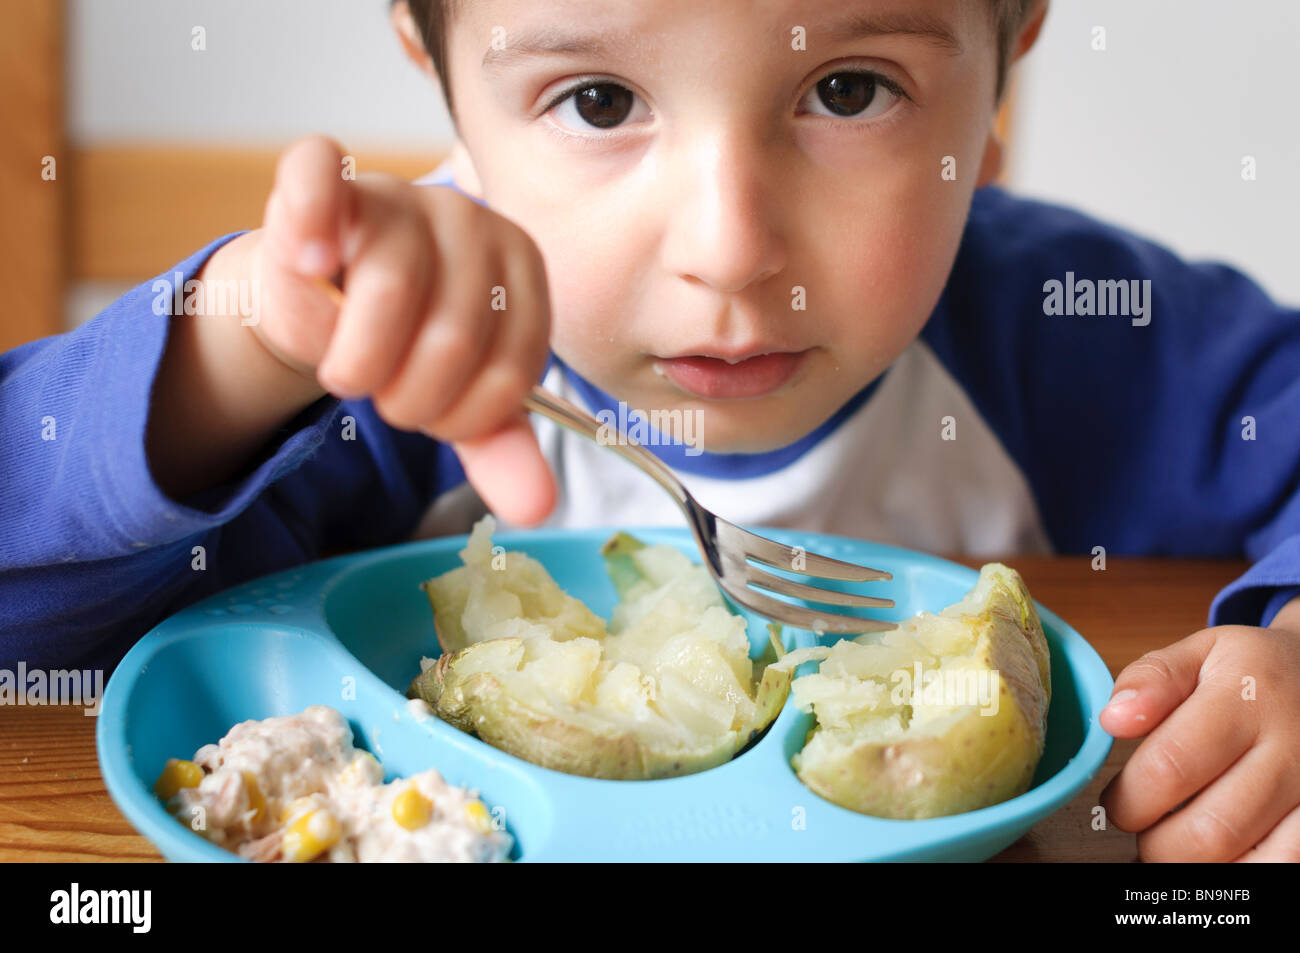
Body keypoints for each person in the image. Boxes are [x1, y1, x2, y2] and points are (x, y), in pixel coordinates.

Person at [2, 0, 1297, 861]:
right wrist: (237, 357)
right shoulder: (381, 366)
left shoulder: (1076, 332)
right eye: (601, 103)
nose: (727, 247)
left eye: (851, 89)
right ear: (433, 58)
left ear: (1011, 42)